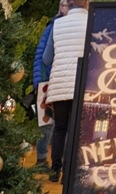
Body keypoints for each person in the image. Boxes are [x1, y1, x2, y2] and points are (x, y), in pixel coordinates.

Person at [43, 0, 90, 183]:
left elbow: (47, 58)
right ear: (86, 3)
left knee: (60, 128)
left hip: (60, 82)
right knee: (76, 130)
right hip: (81, 83)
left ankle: (55, 169)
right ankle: (71, 173)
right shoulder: (91, 22)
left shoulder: (58, 24)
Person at [32, 0, 70, 171]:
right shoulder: (52, 27)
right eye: (62, 5)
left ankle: (60, 163)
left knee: (61, 126)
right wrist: (38, 81)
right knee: (46, 123)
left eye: (67, 5)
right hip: (48, 80)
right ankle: (41, 159)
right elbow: (41, 56)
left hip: (63, 80)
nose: (64, 8)